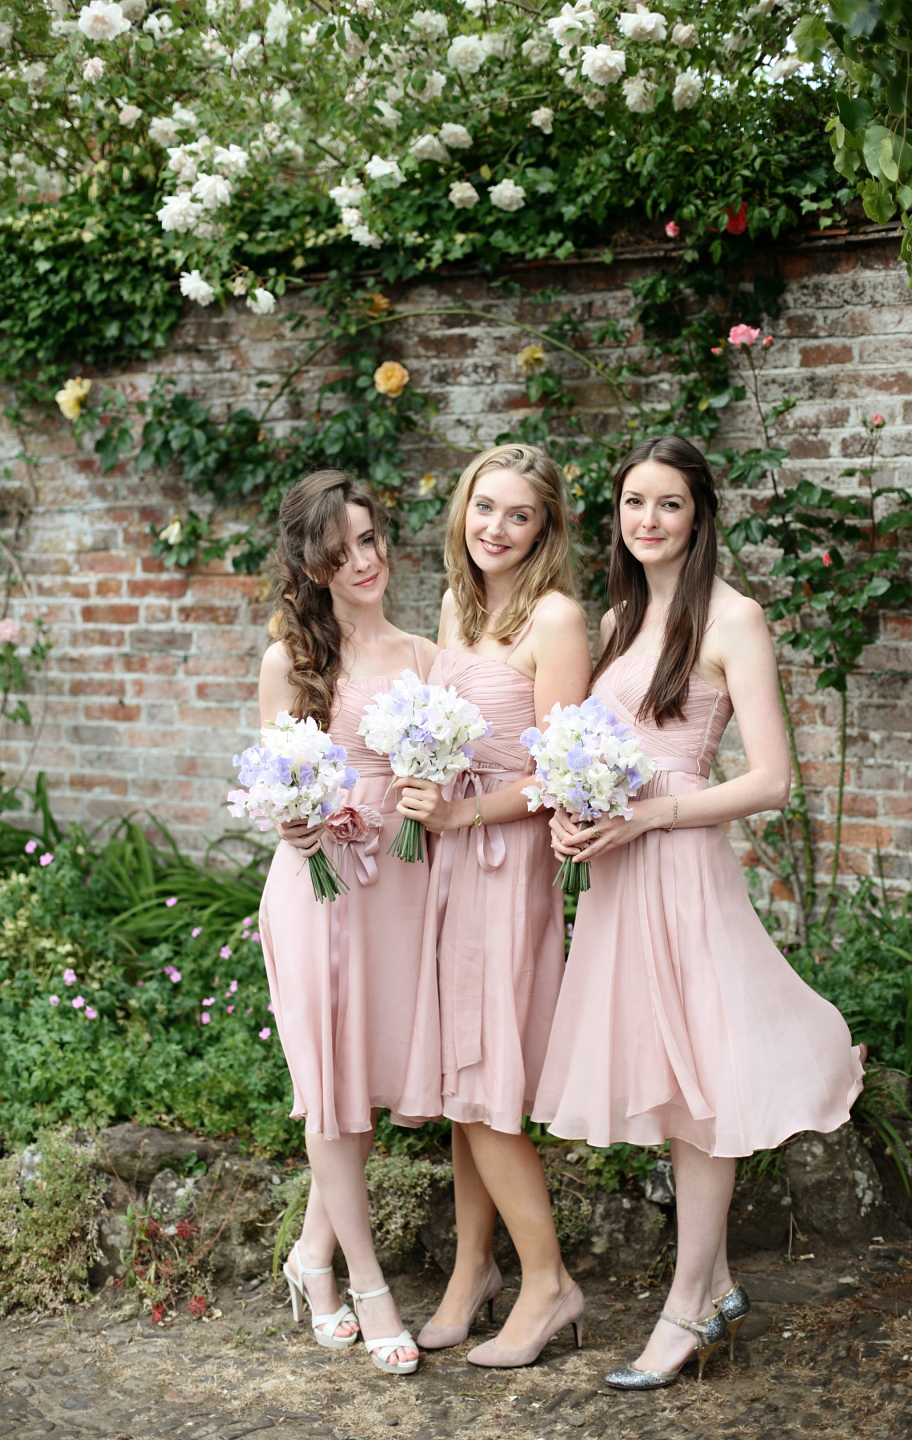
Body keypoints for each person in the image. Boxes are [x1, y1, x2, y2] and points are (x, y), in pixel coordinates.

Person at [532, 434, 865, 1389]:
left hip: (681, 871)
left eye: (668, 504)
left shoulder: (734, 620)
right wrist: (575, 815)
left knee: (704, 1084)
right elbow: (598, 747)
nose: (647, 521)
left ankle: (684, 1311)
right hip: (621, 879)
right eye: (633, 502)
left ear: (699, 514)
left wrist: (649, 814)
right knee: (674, 1085)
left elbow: (770, 780)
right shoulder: (618, 617)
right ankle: (712, 1288)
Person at [395, 443, 592, 1368]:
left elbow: (559, 772)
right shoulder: (457, 608)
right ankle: (473, 1270)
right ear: (463, 509)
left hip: (506, 865)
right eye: (485, 508)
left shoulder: (557, 621)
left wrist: (463, 809)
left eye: (519, 515)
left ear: (546, 527)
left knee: (485, 1082)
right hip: (448, 861)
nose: (496, 529)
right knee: (457, 1082)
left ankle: (548, 1282)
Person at [257, 470, 441, 1376]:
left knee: (359, 1087)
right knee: (329, 1087)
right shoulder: (291, 661)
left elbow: (448, 771)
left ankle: (310, 1256)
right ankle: (368, 1288)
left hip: (394, 887)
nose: (363, 560)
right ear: (312, 562)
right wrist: (293, 816)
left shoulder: (422, 654)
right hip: (319, 882)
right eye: (342, 548)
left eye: (370, 539)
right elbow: (276, 782)